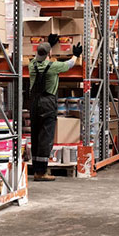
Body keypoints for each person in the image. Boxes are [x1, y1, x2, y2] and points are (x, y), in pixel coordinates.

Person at [28, 36, 82, 181]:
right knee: (46, 137)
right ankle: (41, 172)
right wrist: (76, 54)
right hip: (47, 104)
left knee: (35, 135)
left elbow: (39, 57)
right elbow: (70, 64)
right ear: (49, 54)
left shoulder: (32, 65)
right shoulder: (54, 67)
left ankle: (36, 169)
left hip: (34, 104)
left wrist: (49, 45)